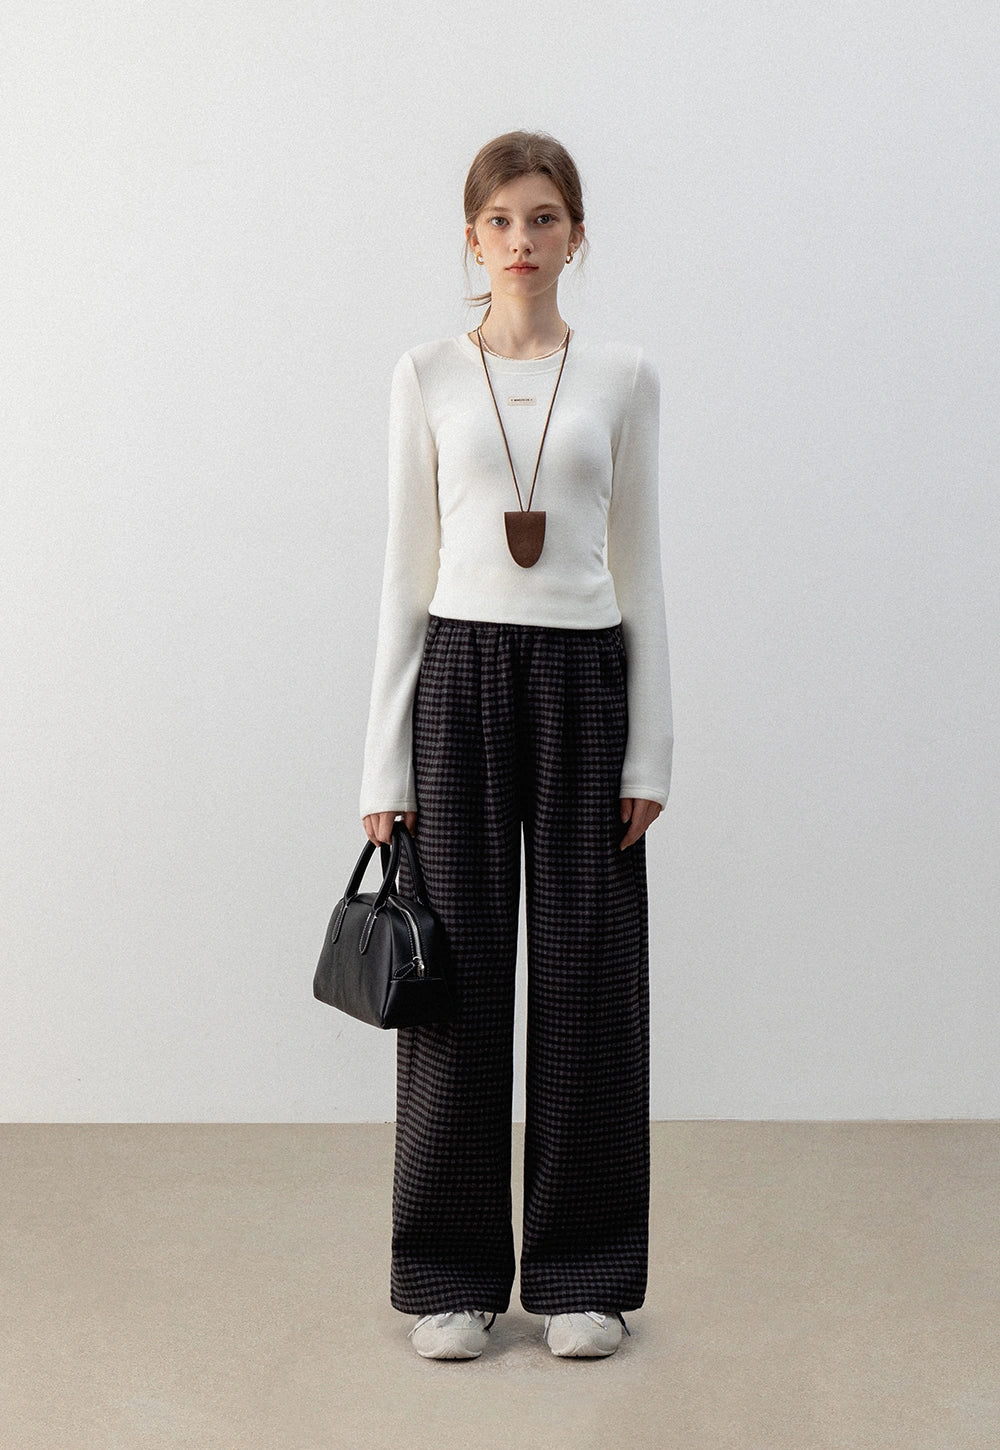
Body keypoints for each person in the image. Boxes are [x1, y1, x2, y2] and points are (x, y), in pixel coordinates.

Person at [359, 131, 672, 1360]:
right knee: (454, 988)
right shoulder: (426, 373)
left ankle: (582, 1275)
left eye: (544, 218)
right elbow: (405, 573)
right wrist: (382, 767)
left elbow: (641, 566)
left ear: (576, 234)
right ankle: (450, 1277)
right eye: (499, 220)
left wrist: (649, 753)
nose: (522, 240)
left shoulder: (626, 377)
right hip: (459, 679)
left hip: (587, 679)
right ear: (471, 239)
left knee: (590, 979)